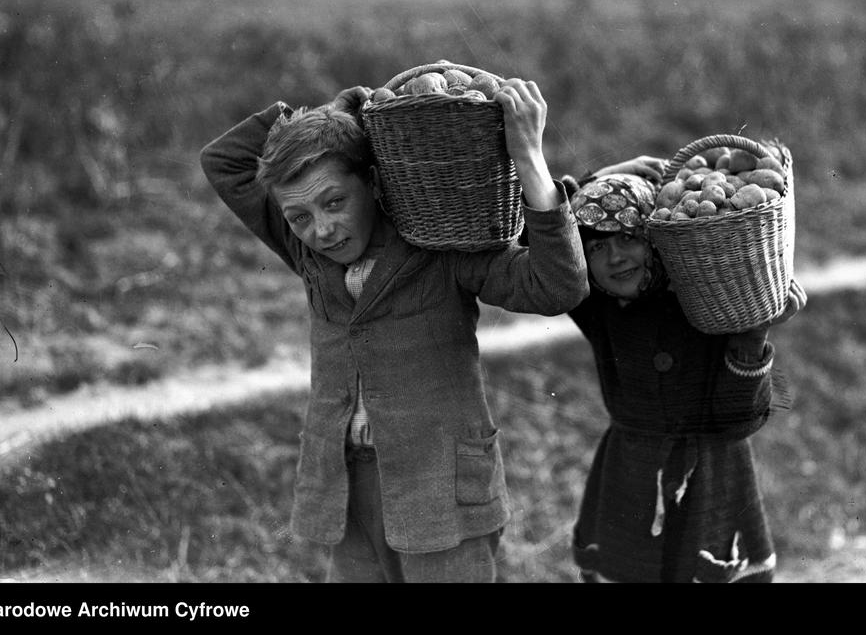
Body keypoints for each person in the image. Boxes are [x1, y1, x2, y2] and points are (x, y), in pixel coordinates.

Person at [199, 78, 588, 583]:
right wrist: (347, 112)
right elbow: (224, 159)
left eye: (335, 202)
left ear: (376, 183)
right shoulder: (309, 254)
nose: (322, 229)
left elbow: (558, 286)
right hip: (349, 487)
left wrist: (531, 160)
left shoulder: (441, 246)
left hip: (442, 491)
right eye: (299, 217)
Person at [561, 158, 806, 583]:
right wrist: (606, 175)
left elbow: (737, 420)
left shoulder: (708, 298)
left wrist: (755, 330)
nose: (615, 257)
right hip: (631, 472)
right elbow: (543, 224)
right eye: (596, 247)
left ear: (653, 239)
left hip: (713, 476)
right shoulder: (596, 306)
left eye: (626, 238)